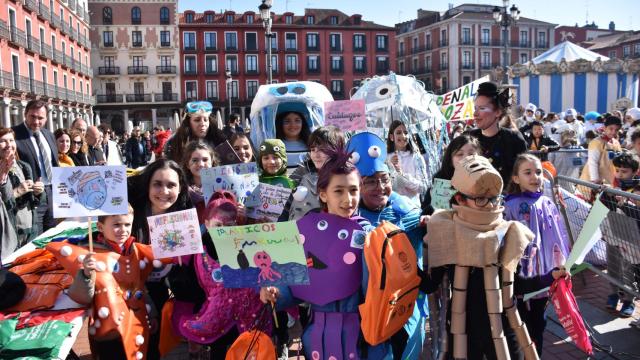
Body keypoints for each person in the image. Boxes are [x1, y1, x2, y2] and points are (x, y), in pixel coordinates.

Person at [260, 148, 384, 359]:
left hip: (362, 334)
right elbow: (291, 283)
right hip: (317, 334)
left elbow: (378, 289)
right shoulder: (304, 231)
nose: (348, 199)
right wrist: (274, 293)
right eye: (338, 191)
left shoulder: (369, 234)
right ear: (323, 194)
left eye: (353, 190)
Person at [424, 154, 536, 360]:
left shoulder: (509, 231)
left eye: (495, 198)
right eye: (481, 199)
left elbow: (518, 285)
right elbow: (431, 284)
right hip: (462, 330)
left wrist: (550, 278)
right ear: (459, 198)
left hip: (503, 326)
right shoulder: (445, 230)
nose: (491, 205)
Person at [47, 204, 158, 359]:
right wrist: (86, 273)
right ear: (100, 226)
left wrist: (151, 313)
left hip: (136, 323)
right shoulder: (88, 255)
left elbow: (139, 287)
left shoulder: (134, 251)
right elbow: (82, 297)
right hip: (109, 332)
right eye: (117, 225)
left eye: (127, 225)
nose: (123, 230)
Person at [169, 191, 266, 359]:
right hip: (216, 316)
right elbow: (189, 287)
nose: (223, 231)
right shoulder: (198, 251)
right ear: (206, 224)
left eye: (229, 226)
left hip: (247, 316)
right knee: (219, 352)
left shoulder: (247, 243)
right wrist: (180, 268)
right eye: (218, 226)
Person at [503, 154, 571, 355]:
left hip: (545, 278)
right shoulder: (513, 205)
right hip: (525, 281)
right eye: (528, 172)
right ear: (516, 178)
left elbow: (557, 236)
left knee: (538, 324)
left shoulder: (545, 200)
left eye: (538, 172)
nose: (535, 177)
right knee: (526, 327)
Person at [127, 159, 193, 359]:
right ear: (147, 185)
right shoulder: (129, 217)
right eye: (157, 184)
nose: (164, 191)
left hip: (163, 293)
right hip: (129, 292)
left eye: (171, 185)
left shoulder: (184, 218)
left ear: (180, 188)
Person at [12, 99, 58, 235]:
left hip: (52, 192)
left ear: (46, 118)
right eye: (33, 116)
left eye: (40, 118)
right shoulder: (14, 135)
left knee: (52, 235)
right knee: (34, 237)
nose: (36, 121)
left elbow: (55, 163)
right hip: (30, 197)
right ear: (25, 114)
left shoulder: (49, 135)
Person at [601, 153, 639, 318]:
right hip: (613, 233)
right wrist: (605, 195)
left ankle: (629, 300)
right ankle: (614, 292)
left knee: (628, 269)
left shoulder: (637, 190)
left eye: (624, 171)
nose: (620, 174)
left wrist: (626, 204)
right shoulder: (614, 186)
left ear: (634, 172)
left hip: (631, 237)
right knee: (613, 264)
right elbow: (605, 207)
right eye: (618, 170)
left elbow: (637, 214)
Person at [280, 126, 345, 221]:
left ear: (337, 149)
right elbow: (287, 204)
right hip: (299, 231)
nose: (316, 154)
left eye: (322, 149)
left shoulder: (346, 177)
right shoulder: (303, 172)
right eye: (313, 149)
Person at [467, 81, 527, 183]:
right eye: (475, 108)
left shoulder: (514, 139)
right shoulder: (468, 138)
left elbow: (524, 172)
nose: (475, 114)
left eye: (482, 108)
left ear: (498, 112)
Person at [0, 127, 43, 247]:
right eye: (3, 141)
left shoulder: (24, 166)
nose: (9, 145)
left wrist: (38, 192)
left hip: (30, 230)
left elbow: (35, 202)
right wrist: (17, 191)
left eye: (11, 140)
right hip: (9, 237)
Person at [423, 134, 479, 215]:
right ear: (451, 160)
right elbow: (436, 215)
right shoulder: (441, 181)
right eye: (460, 154)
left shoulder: (485, 179)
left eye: (471, 154)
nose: (466, 158)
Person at [386, 120, 429, 205]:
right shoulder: (385, 158)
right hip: (391, 208)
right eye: (398, 132)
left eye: (406, 132)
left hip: (412, 208)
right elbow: (386, 187)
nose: (403, 136)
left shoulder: (417, 157)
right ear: (391, 137)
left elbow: (423, 187)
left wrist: (403, 176)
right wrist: (390, 167)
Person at [579, 115, 623, 199]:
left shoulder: (616, 143)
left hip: (607, 182)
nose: (613, 132)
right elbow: (593, 162)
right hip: (592, 182)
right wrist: (595, 181)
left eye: (616, 130)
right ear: (604, 128)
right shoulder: (596, 142)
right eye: (611, 128)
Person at [181, 141, 219, 222]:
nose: (201, 164)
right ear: (187, 164)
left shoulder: (222, 186)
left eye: (205, 160)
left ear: (212, 162)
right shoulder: (180, 189)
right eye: (195, 160)